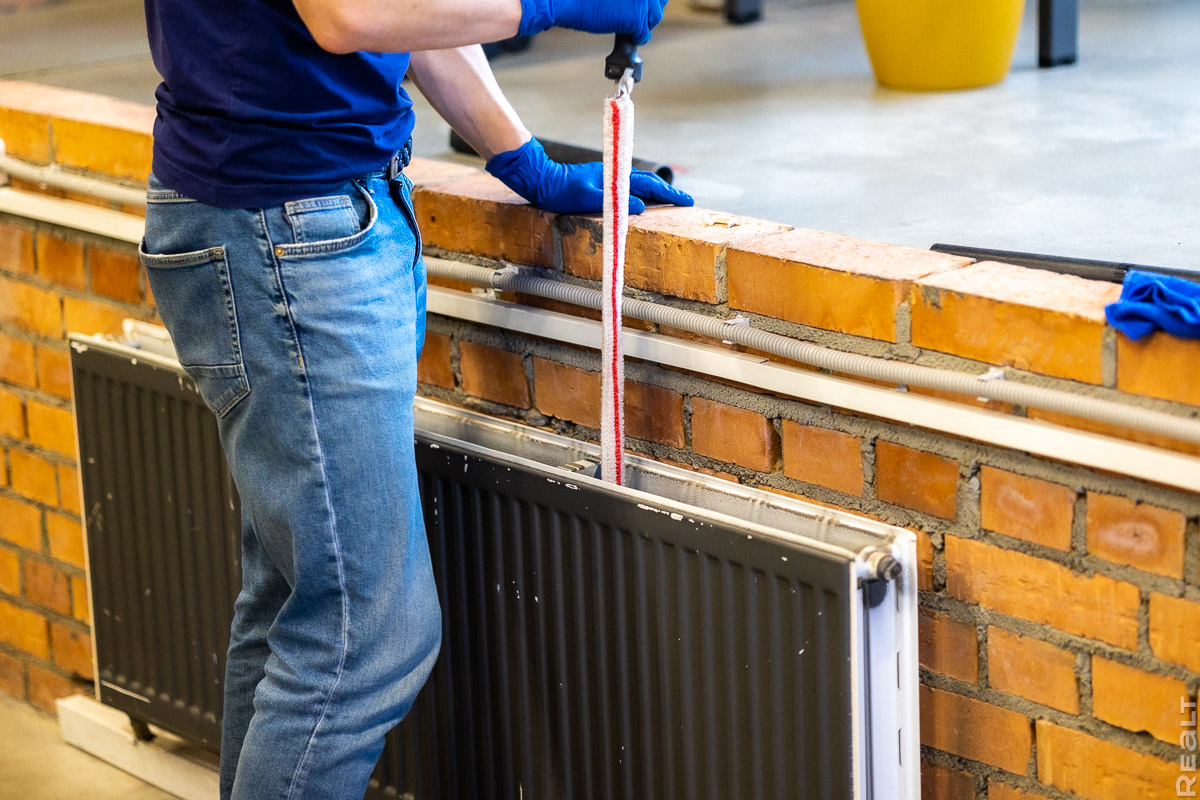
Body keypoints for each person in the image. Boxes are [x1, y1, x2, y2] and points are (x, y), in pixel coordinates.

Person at [138, 1, 692, 798]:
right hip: (284, 228)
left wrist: (523, 160)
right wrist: (552, 3)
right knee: (363, 639)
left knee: (297, 610)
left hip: (302, 213)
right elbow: (352, 13)